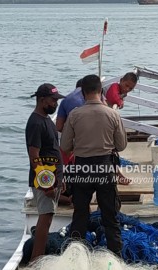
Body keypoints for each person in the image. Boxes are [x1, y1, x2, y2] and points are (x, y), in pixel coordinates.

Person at [60, 74, 127, 257]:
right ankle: (116, 256)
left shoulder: (74, 115)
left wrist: (80, 145)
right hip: (105, 167)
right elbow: (121, 145)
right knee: (110, 215)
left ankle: (75, 255)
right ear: (101, 91)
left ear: (83, 92)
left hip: (82, 168)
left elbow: (65, 146)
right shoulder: (112, 114)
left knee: (80, 214)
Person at [25, 83, 65, 262]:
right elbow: (34, 155)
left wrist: (59, 178)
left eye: (56, 100)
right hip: (44, 180)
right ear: (42, 100)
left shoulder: (46, 119)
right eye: (53, 100)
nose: (56, 104)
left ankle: (37, 258)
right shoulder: (35, 122)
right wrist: (46, 183)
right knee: (45, 217)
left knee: (48, 217)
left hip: (52, 177)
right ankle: (36, 260)